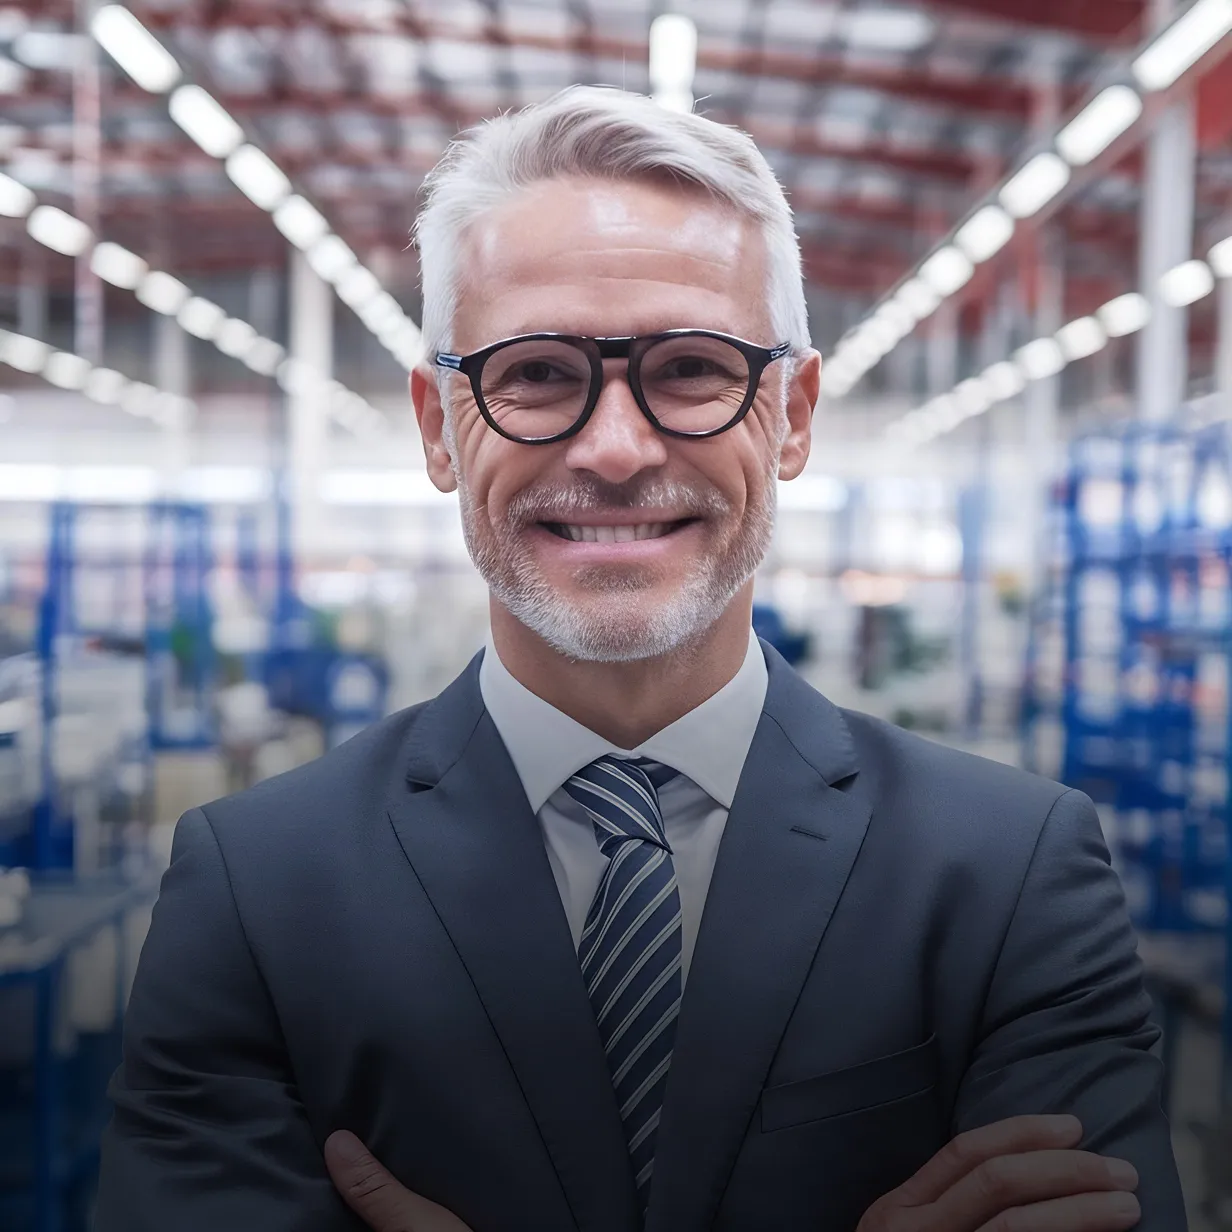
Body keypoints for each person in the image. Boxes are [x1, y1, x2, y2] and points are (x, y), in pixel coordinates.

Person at [95, 86, 1185, 1232]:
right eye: (534, 374)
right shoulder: (257, 887)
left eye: (690, 369)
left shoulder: (1008, 875)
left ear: (793, 413)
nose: (614, 449)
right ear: (435, 425)